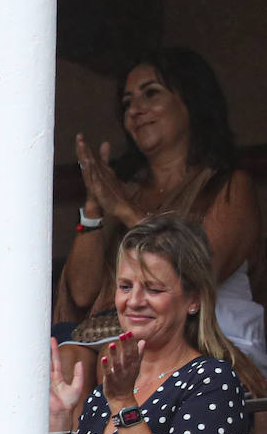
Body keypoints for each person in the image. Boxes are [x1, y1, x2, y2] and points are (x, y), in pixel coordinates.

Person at [56, 48, 267, 394]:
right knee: (72, 363)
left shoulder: (229, 187)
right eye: (127, 103)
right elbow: (81, 293)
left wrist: (123, 210)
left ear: (192, 103)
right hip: (126, 339)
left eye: (151, 93)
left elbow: (196, 269)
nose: (135, 111)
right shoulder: (122, 190)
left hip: (209, 346)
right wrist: (95, 206)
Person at [49, 216, 251, 434]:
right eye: (125, 287)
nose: (134, 301)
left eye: (153, 289)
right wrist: (57, 422)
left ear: (193, 300)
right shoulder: (106, 393)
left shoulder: (211, 381)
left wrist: (125, 404)